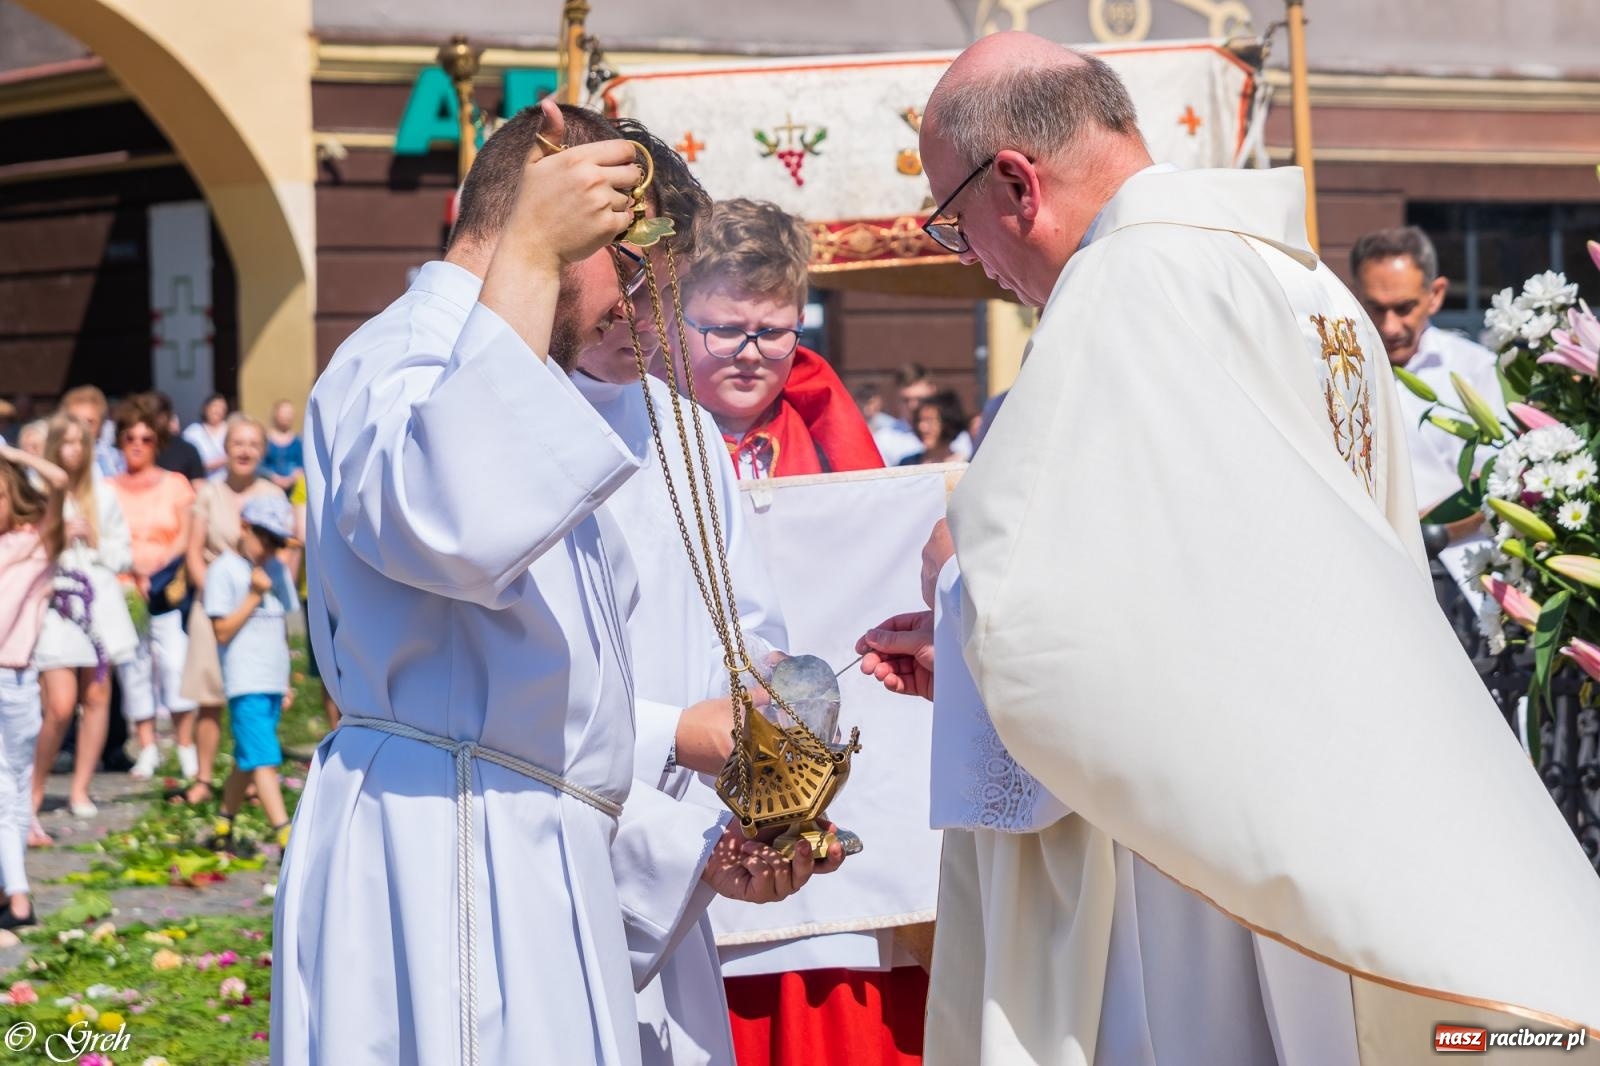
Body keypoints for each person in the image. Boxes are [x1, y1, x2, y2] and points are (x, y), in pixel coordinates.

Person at [856, 32, 1600, 1063]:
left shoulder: (1123, 290)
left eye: (955, 220)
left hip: (1193, 845)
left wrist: (955, 589)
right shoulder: (1313, 289)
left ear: (1018, 184)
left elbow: (1053, 600)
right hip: (1341, 791)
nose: (972, 258)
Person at [275, 100, 842, 1066]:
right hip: (450, 855)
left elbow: (581, 713)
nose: (642, 311)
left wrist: (722, 824)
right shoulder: (402, 356)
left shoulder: (542, 387)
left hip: (533, 848)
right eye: (631, 268)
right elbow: (452, 525)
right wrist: (534, 253)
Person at [571, 117, 797, 1066]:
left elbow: (746, 626)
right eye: (629, 282)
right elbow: (509, 688)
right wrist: (677, 732)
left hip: (684, 848)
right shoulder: (506, 423)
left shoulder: (684, 426)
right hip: (559, 842)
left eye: (664, 290)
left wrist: (773, 757)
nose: (646, 314)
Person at [677, 199, 883, 479]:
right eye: (726, 330)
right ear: (673, 321)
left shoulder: (830, 449)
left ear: (799, 325)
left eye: (773, 333)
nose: (750, 354)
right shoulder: (635, 439)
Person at [1351, 226, 1508, 592]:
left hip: (1464, 576)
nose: (1389, 326)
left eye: (1404, 308)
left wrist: (1426, 530)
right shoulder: (1338, 371)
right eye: (1376, 308)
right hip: (1366, 573)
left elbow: (1496, 480)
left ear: (1435, 295)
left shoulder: (1475, 369)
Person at [30, 414, 139, 830]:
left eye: (81, 443)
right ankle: (34, 787)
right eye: (67, 442)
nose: (74, 451)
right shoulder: (40, 491)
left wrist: (96, 541)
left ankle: (80, 788)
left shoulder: (104, 494)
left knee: (96, 697)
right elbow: (26, 548)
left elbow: (124, 555)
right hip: (56, 603)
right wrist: (58, 532)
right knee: (59, 705)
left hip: (99, 603)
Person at [177, 415, 286, 802]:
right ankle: (204, 779)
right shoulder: (209, 492)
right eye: (238, 443)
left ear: (263, 451)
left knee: (258, 692)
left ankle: (254, 775)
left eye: (253, 444)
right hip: (214, 599)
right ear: (226, 448)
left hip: (259, 603)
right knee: (209, 695)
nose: (245, 451)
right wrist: (217, 597)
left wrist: (271, 589)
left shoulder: (272, 493)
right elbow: (193, 552)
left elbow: (284, 552)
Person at [109, 396, 199, 781]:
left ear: (156, 442)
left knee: (174, 664)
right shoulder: (107, 487)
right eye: (130, 437)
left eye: (145, 438)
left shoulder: (175, 484)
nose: (137, 445)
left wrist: (157, 565)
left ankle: (185, 745)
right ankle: (146, 746)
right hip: (124, 587)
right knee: (134, 668)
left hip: (165, 587)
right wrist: (133, 566)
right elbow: (104, 534)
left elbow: (186, 533)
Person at [203, 494, 298, 852]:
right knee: (264, 757)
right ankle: (285, 834)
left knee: (248, 758)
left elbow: (283, 627)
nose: (270, 549)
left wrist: (285, 681)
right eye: (265, 539)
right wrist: (254, 596)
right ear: (245, 528)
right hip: (245, 681)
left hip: (271, 678)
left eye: (277, 542)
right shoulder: (224, 570)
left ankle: (223, 822)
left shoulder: (276, 569)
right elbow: (222, 631)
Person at [0, 442, 68, 926]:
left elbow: (59, 482)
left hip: (15, 677)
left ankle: (18, 895)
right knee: (9, 787)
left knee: (13, 785)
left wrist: (13, 455)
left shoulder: (36, 543)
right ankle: (14, 892)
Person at [61, 386, 123, 478]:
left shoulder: (116, 461)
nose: (83, 429)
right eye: (76, 421)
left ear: (101, 426)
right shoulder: (53, 456)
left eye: (89, 422)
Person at [858, 380, 922, 466]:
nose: (913, 406)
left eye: (919, 399)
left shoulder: (938, 437)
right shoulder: (884, 437)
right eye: (906, 400)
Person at [149, 392, 207, 483]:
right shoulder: (136, 447)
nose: (153, 420)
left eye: (158, 414)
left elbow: (198, 485)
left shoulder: (187, 451)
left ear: (167, 416)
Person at [898, 390, 966, 466]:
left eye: (930, 420)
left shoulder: (965, 465)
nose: (922, 427)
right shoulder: (907, 464)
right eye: (919, 420)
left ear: (948, 423)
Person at [182, 393, 230, 481]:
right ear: (205, 408)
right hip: (200, 482)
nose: (217, 411)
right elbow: (186, 458)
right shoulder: (192, 432)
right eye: (215, 406)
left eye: (222, 408)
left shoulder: (229, 430)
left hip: (226, 483)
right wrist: (206, 465)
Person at [262, 400, 304, 493]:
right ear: (275, 414)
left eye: (290, 413)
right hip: (270, 488)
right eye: (284, 413)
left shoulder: (298, 442)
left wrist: (292, 479)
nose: (287, 416)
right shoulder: (265, 440)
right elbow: (260, 465)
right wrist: (273, 477)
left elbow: (302, 464)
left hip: (294, 490)